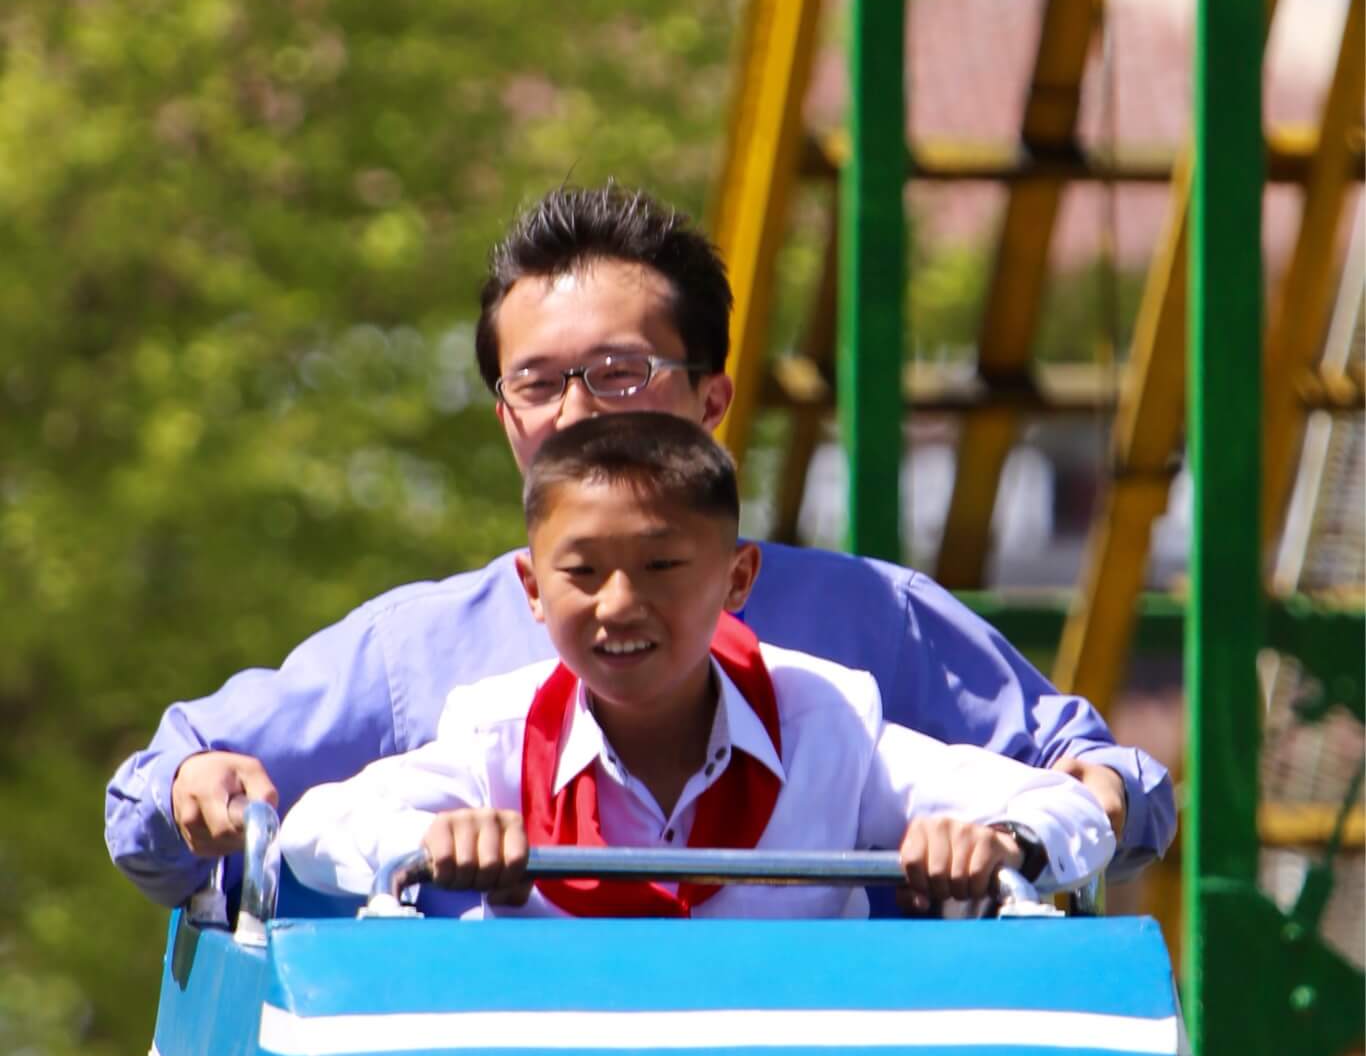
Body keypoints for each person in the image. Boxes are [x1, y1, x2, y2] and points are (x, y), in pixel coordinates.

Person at [105, 185, 1172, 908]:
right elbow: (169, 801)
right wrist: (201, 785)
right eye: (537, 381)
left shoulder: (864, 639)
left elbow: (1098, 785)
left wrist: (1046, 821)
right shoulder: (425, 661)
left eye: (618, 371)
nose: (576, 410)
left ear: (711, 397)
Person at [280, 416, 1114, 919]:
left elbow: (1069, 808)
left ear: (738, 580)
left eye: (662, 567)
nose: (617, 605)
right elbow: (314, 829)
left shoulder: (828, 721)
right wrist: (426, 839)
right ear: (531, 591)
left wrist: (1000, 842)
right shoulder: (495, 736)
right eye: (581, 573)